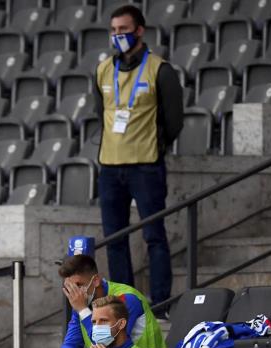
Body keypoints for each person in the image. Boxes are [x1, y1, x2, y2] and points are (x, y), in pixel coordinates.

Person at [94, 5, 183, 310]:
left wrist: (155, 146)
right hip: (109, 167)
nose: (119, 35)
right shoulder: (103, 69)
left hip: (146, 166)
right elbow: (99, 113)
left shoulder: (160, 69)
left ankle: (161, 302)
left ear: (140, 30)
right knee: (115, 241)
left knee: (154, 236)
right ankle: (126, 305)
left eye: (124, 29)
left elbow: (174, 121)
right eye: (114, 30)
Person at [59, 254, 165, 348]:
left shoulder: (127, 298)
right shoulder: (82, 303)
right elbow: (71, 345)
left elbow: (106, 344)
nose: (75, 293)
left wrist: (83, 310)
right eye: (70, 288)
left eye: (78, 285)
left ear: (96, 281)